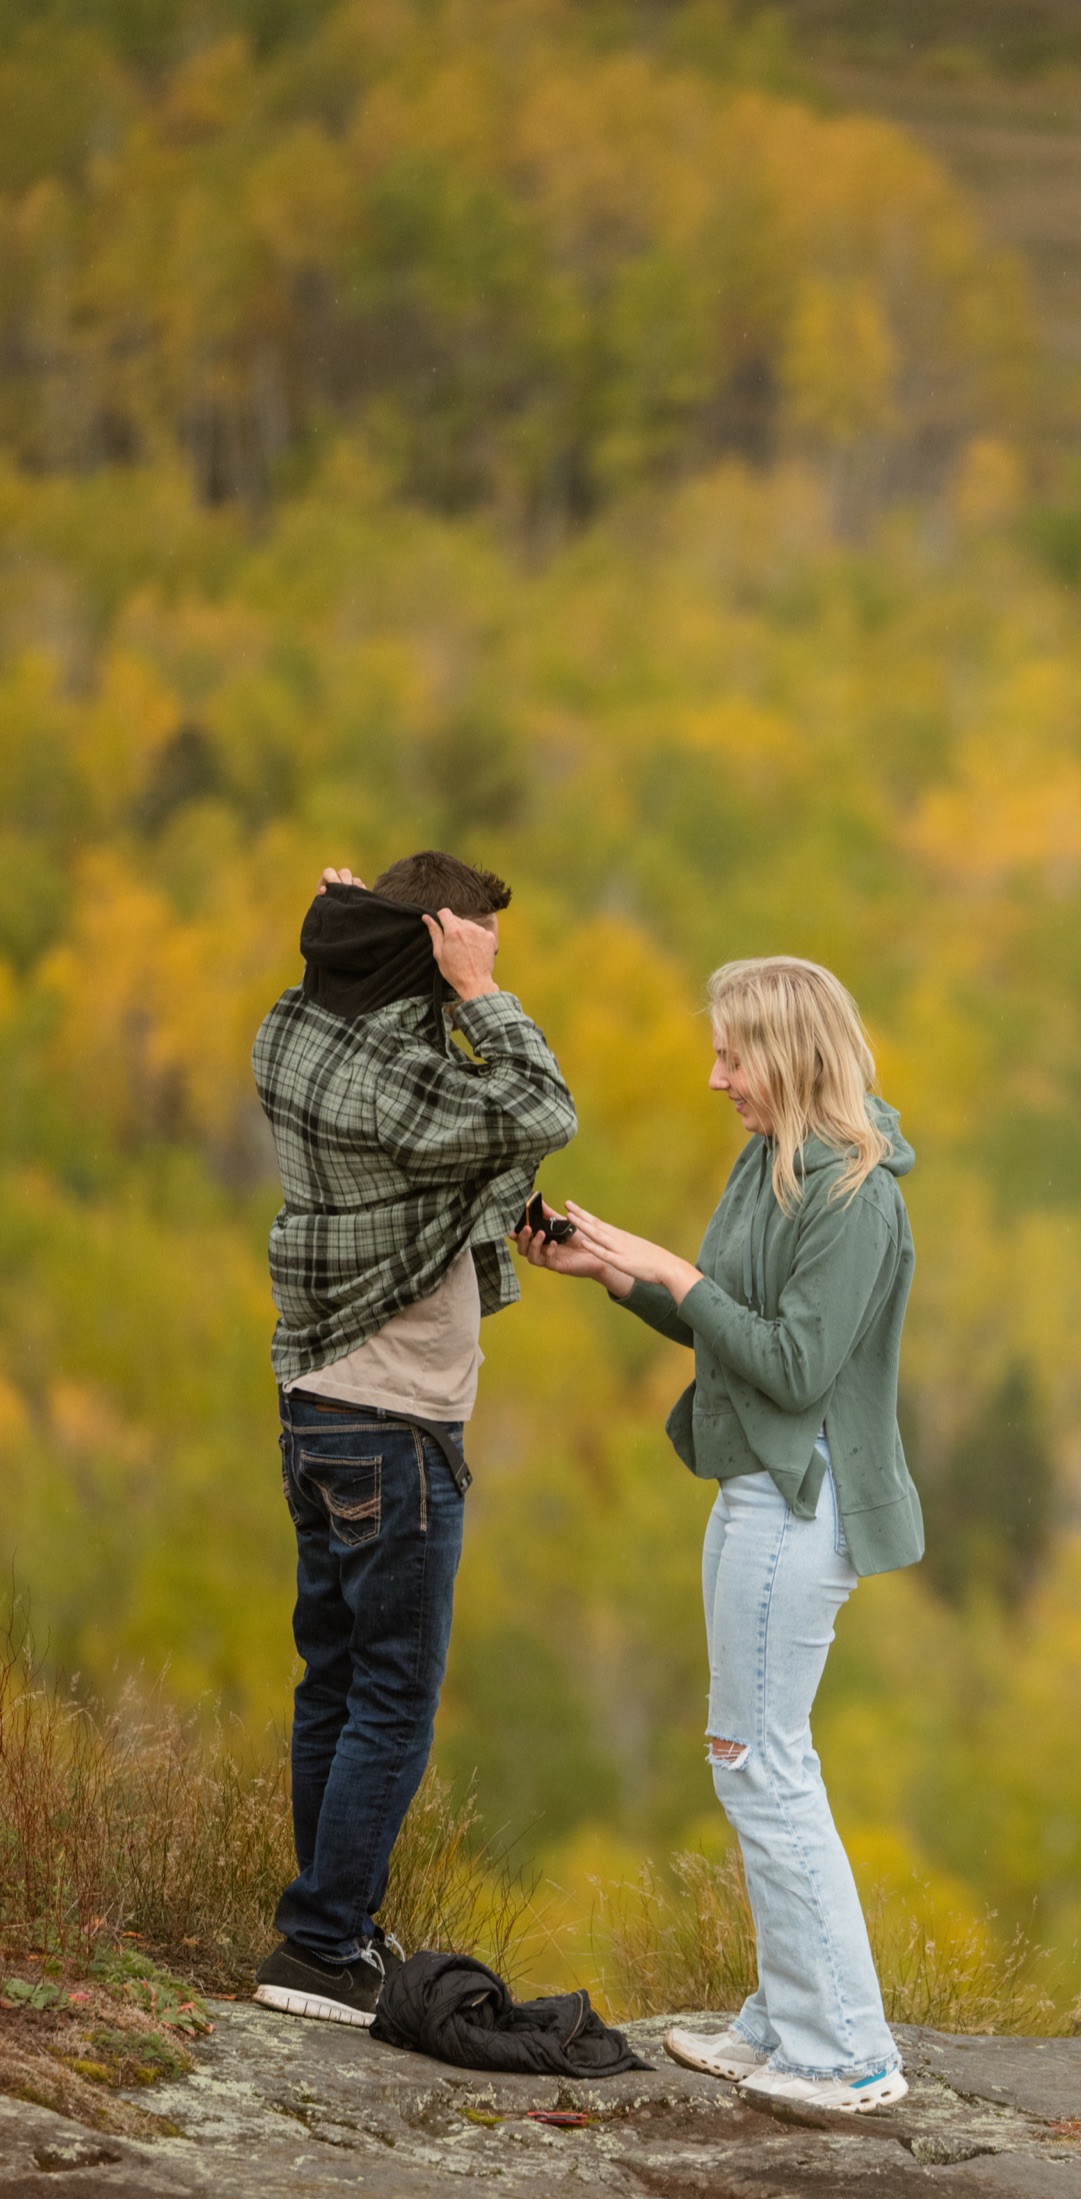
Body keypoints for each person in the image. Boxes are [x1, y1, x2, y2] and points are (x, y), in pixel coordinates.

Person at [521, 955, 922, 2112]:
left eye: (730, 1055)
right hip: (753, 1487)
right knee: (752, 1757)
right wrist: (617, 1275)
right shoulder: (772, 1164)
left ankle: (845, 2054)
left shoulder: (857, 1195)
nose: (715, 1078)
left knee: (762, 1762)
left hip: (799, 1498)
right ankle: (787, 2019)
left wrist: (672, 1268)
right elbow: (729, 1329)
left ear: (786, 1054)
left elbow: (793, 1367)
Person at [250, 852, 576, 2027]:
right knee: (391, 1693)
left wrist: (352, 927)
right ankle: (321, 1942)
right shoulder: (404, 1072)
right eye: (471, 947)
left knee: (334, 1678)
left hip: (317, 1406)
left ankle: (330, 1925)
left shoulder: (295, 1028)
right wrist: (484, 995)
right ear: (440, 946)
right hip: (395, 1423)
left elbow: (431, 1100)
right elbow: (543, 1107)